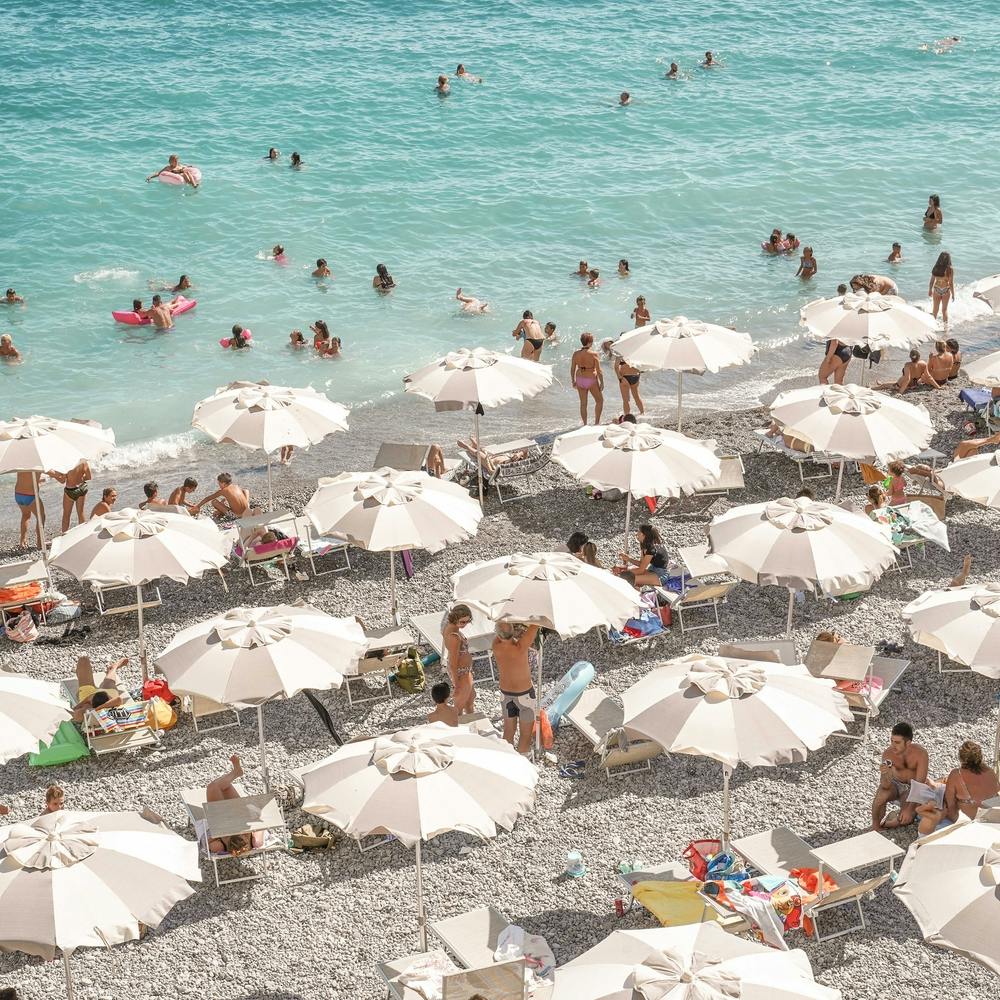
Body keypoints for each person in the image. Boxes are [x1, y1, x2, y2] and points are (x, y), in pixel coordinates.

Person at [916, 741, 1000, 836]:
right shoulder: (990, 772)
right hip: (990, 819)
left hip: (966, 822)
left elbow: (950, 807)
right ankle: (936, 785)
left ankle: (935, 786)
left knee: (931, 809)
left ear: (961, 758)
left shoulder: (957, 774)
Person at [872, 722, 929, 830]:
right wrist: (885, 774)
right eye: (891, 741)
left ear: (908, 743)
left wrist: (909, 809)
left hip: (912, 787)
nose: (893, 745)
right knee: (881, 796)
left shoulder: (920, 754)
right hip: (895, 784)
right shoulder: (888, 754)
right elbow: (885, 785)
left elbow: (919, 785)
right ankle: (875, 825)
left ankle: (891, 821)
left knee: (906, 818)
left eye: (897, 742)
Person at [492, 622, 539, 754]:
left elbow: (501, 635)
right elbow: (535, 625)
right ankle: (521, 762)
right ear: (513, 632)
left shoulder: (495, 646)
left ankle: (507, 761)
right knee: (525, 736)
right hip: (524, 695)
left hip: (506, 695)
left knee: (508, 733)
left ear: (498, 635)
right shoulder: (520, 647)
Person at [205, 756, 264, 855]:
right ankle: (236, 772)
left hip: (222, 818)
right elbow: (262, 826)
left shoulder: (218, 846)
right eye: (245, 834)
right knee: (222, 787)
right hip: (239, 815)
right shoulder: (256, 841)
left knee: (215, 787)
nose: (243, 834)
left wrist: (216, 836)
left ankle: (236, 773)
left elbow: (207, 840)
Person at [70, 655, 128, 721]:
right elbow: (119, 699)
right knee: (109, 682)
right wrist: (99, 708)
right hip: (103, 696)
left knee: (83, 660)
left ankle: (112, 668)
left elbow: (76, 715)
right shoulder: (112, 703)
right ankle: (113, 668)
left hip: (88, 695)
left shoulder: (87, 707)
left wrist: (84, 705)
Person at [442, 605, 476, 716]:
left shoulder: (450, 627)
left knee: (470, 700)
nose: (465, 624)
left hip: (464, 670)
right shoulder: (454, 637)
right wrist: (457, 685)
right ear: (454, 618)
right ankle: (459, 725)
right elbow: (453, 663)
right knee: (459, 707)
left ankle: (471, 723)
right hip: (461, 672)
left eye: (468, 621)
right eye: (462, 622)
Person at [47, 458, 91, 533]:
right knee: (80, 513)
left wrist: (54, 476)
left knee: (66, 515)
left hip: (71, 490)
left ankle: (64, 535)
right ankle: (83, 533)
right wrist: (80, 480)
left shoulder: (67, 464)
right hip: (82, 488)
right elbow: (89, 477)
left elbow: (62, 481)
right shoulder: (84, 462)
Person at [602, 339, 644, 416]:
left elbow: (616, 367)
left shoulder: (621, 352)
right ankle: (642, 414)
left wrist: (620, 378)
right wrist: (639, 375)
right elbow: (640, 366)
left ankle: (627, 417)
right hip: (636, 376)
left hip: (625, 377)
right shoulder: (634, 351)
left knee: (626, 400)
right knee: (637, 397)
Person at [570, 332, 604, 425]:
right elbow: (599, 370)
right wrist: (602, 382)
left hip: (580, 379)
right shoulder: (594, 354)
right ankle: (596, 423)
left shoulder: (575, 354)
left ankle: (585, 424)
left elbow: (572, 369)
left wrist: (573, 381)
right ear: (589, 342)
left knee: (583, 403)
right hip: (591, 378)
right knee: (599, 401)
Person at [875, 348, 941, 393]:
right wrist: (938, 387)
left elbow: (907, 379)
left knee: (883, 386)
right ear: (919, 356)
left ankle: (872, 388)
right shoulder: (923, 363)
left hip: (901, 385)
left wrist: (900, 392)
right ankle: (882, 383)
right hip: (914, 385)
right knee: (890, 382)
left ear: (910, 357)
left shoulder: (908, 365)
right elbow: (929, 377)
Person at [13, 470, 43, 549]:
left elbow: (26, 477)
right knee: (41, 517)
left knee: (25, 515)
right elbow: (51, 472)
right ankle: (40, 543)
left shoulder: (22, 464)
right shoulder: (37, 465)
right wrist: (61, 476)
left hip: (18, 494)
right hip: (30, 495)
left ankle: (22, 541)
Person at [929, 252, 955, 325]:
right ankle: (945, 328)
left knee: (935, 310)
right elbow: (951, 283)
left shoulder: (936, 267)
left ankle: (932, 326)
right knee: (944, 310)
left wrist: (930, 290)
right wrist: (953, 294)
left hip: (936, 289)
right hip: (946, 290)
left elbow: (931, 281)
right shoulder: (950, 269)